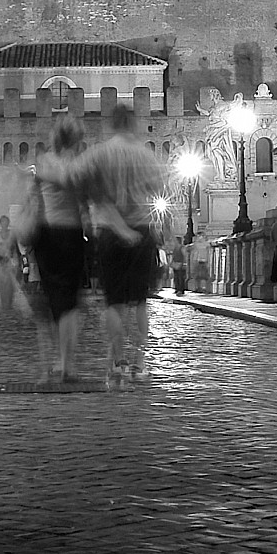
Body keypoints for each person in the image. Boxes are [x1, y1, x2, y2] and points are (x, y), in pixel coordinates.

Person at [81, 105, 167, 386]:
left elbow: (82, 184)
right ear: (132, 122)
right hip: (141, 231)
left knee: (114, 303)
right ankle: (139, 363)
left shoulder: (100, 153)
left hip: (109, 232)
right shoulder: (146, 155)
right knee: (140, 302)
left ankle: (118, 362)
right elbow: (160, 191)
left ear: (112, 123)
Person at [27, 120, 92, 383]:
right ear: (76, 141)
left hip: (47, 235)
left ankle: (58, 360)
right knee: (70, 301)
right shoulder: (77, 165)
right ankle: (67, 362)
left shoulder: (44, 162)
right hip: (70, 234)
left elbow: (35, 197)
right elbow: (84, 194)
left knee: (55, 301)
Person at [0, 213, 23, 316]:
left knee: (10, 282)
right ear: (0, 224)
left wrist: (19, 260)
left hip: (10, 261)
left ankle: (9, 302)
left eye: (6, 222)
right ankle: (4, 302)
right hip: (0, 261)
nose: (5, 224)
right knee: (2, 283)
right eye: (3, 222)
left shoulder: (12, 235)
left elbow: (16, 248)